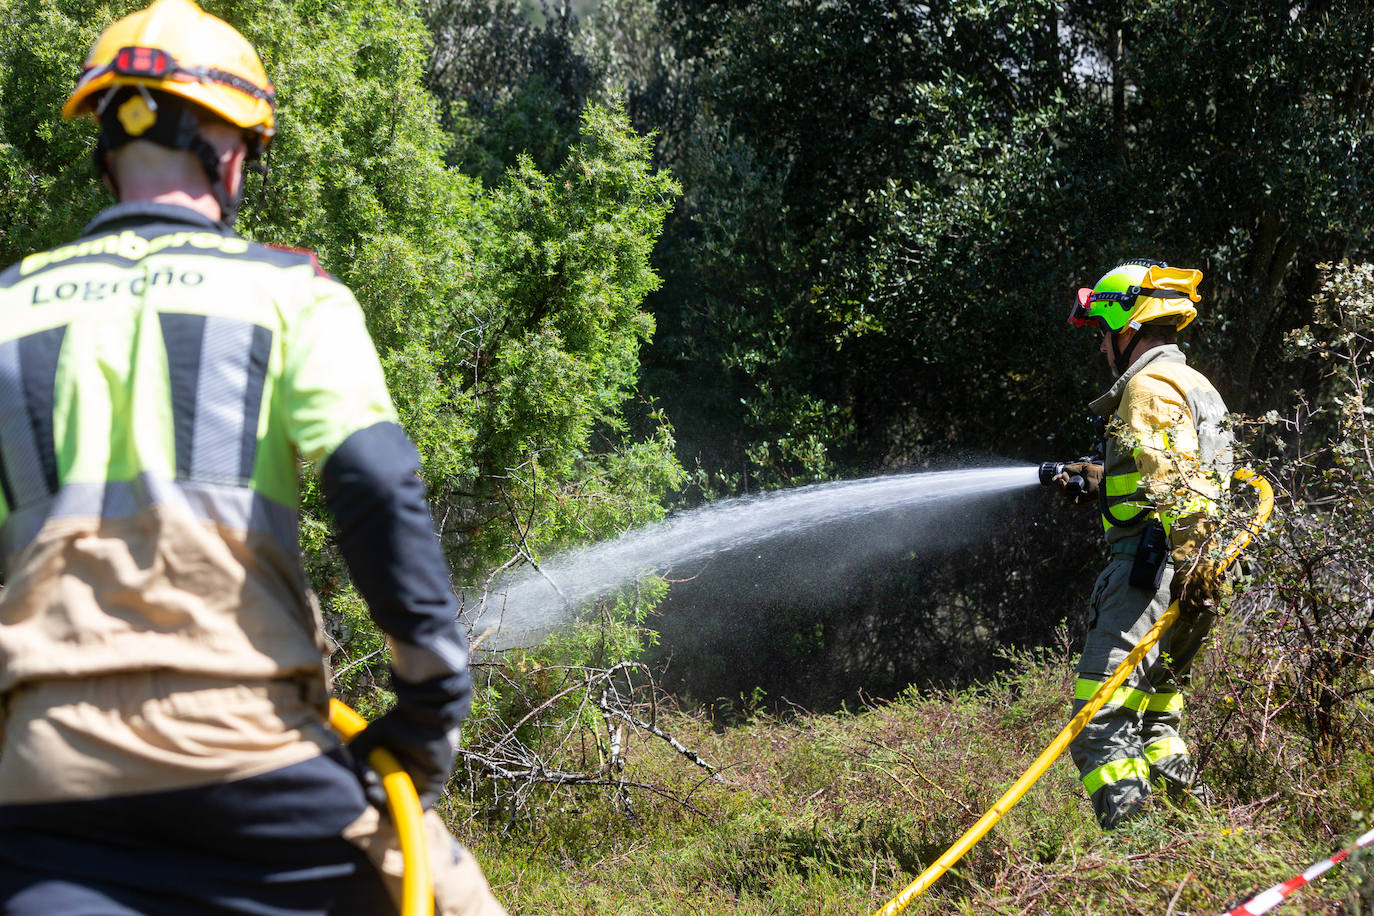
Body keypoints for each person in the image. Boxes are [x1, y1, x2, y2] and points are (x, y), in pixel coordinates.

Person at [0, 0, 505, 912]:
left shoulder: (8, 310)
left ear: (107, 145)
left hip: (47, 789)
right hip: (249, 756)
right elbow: (375, 481)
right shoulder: (290, 297)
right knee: (451, 895)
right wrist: (429, 713)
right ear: (231, 153)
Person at [1052, 257, 1233, 829]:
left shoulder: (1148, 387)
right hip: (1196, 576)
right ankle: (1196, 841)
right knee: (1156, 722)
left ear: (1127, 326)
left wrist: (1188, 562)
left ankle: (1136, 850)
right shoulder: (1195, 384)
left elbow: (1176, 486)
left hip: (1151, 575)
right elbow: (1188, 474)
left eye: (1104, 333)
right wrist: (1100, 479)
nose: (1102, 346)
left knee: (1098, 723)